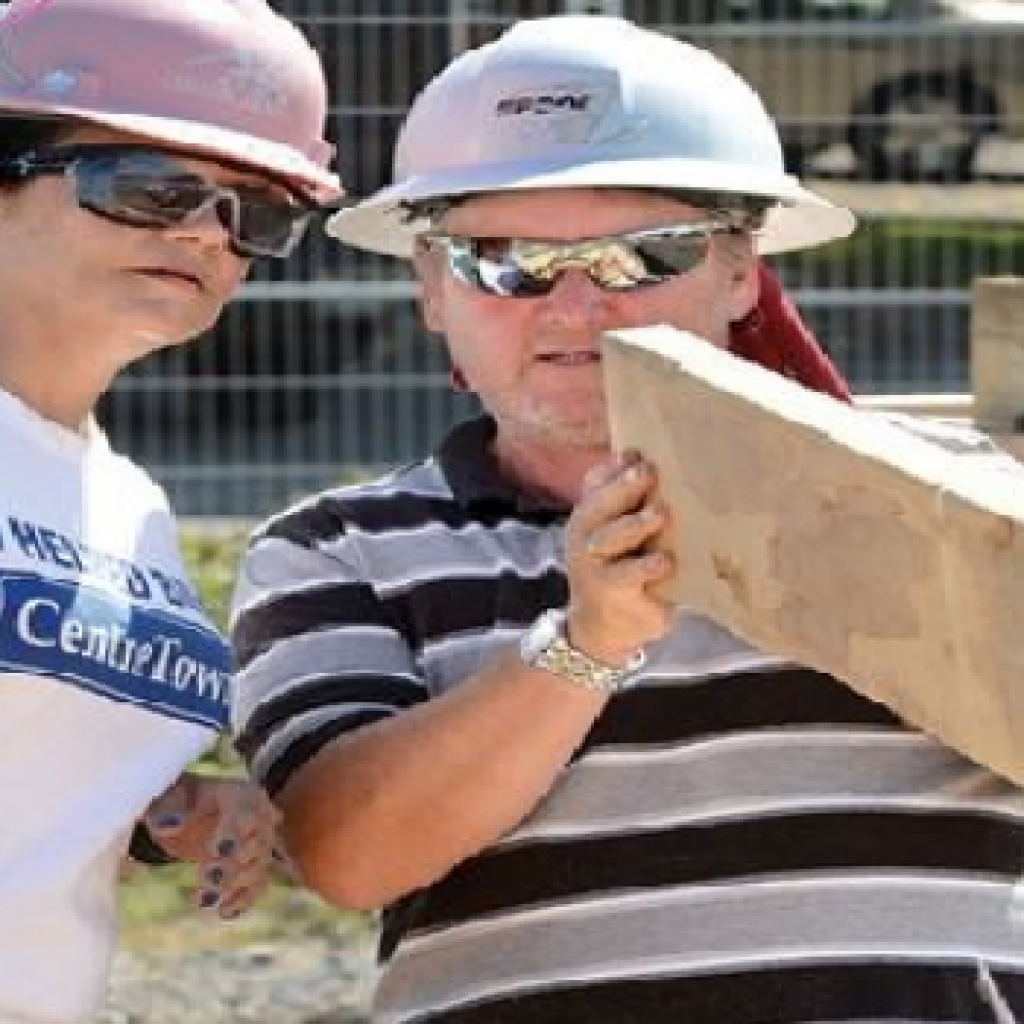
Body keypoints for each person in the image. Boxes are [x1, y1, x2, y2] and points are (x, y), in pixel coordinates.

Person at [231, 15, 1024, 1024]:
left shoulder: (955, 497)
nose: (573, 307)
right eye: (503, 261)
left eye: (640, 257)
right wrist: (582, 647)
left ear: (741, 271)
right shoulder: (336, 550)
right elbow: (348, 853)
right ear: (430, 288)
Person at [0, 0, 344, 1020]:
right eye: (150, 189)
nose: (206, 233)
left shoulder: (126, 503)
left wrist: (163, 808)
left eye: (258, 211)